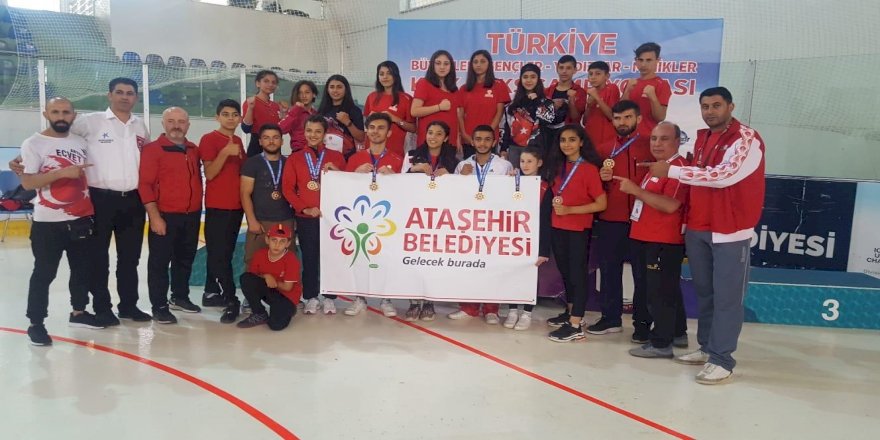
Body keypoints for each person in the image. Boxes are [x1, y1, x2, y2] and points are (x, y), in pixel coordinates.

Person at [641, 87, 766, 385]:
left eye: (716, 105)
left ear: (730, 106)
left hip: (730, 230)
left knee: (727, 298)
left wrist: (673, 172)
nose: (710, 111)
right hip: (699, 227)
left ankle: (722, 359)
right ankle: (708, 347)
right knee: (706, 293)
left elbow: (724, 176)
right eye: (705, 106)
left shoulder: (746, 138)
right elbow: (700, 180)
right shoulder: (703, 138)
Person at [8, 78, 153, 324]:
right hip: (99, 199)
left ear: (136, 98)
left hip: (133, 200)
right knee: (99, 258)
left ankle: (129, 305)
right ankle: (102, 308)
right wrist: (21, 157)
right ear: (109, 95)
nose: (124, 97)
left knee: (130, 258)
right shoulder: (89, 121)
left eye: (130, 93)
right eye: (119, 92)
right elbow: (55, 136)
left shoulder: (140, 126)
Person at [20, 97, 104, 345]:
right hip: (48, 222)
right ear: (46, 114)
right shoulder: (33, 143)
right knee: (44, 273)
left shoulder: (80, 142)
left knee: (81, 269)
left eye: (66, 112)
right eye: (55, 111)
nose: (61, 116)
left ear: (73, 116)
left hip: (81, 217)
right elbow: (28, 182)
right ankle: (36, 323)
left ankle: (79, 312)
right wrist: (62, 173)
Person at [614, 122, 689, 358]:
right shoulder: (658, 167)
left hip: (663, 240)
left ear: (677, 141)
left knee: (659, 294)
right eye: (654, 139)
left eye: (664, 139)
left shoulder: (678, 169)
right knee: (665, 290)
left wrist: (635, 190)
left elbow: (670, 205)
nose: (657, 144)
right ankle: (677, 332)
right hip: (645, 236)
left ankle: (661, 344)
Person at [588, 100, 653, 342]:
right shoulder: (604, 149)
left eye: (627, 117)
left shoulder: (650, 145)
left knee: (642, 275)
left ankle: (642, 324)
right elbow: (593, 186)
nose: (622, 122)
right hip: (611, 219)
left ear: (638, 119)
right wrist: (601, 178)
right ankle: (610, 318)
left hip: (642, 220)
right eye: (617, 118)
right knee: (609, 271)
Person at [138, 107, 203, 324]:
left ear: (188, 125)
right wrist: (155, 217)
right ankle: (159, 305)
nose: (176, 126)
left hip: (191, 215)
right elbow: (145, 185)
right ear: (163, 124)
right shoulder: (152, 150)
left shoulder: (193, 150)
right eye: (171, 121)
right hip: (165, 215)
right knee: (159, 263)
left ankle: (179, 296)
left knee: (185, 258)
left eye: (181, 122)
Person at [545, 124, 607, 342]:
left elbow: (601, 203)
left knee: (577, 275)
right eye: (563, 140)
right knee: (565, 272)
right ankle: (571, 312)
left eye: (572, 140)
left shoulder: (589, 169)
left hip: (578, 229)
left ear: (581, 142)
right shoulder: (558, 166)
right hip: (557, 226)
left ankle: (576, 324)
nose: (567, 144)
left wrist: (570, 210)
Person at [448, 125, 514, 324]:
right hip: (469, 223)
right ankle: (468, 308)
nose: (482, 143)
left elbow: (511, 195)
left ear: (494, 142)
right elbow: (452, 195)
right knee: (469, 266)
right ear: (472, 141)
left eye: (487, 139)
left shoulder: (504, 166)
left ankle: (491, 310)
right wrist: (461, 178)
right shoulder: (463, 165)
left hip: (494, 223)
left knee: (493, 267)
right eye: (478, 139)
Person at [282, 114, 347, 315]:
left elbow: (348, 185)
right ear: (304, 132)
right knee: (310, 257)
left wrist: (337, 171)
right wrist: (304, 208)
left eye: (318, 131)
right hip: (307, 218)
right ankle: (311, 296)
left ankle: (330, 297)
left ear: (325, 134)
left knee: (331, 258)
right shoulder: (295, 158)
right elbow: (287, 189)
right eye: (309, 131)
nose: (313, 135)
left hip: (331, 219)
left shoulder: (336, 157)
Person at [344, 113, 403, 317]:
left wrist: (395, 179)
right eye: (372, 128)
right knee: (360, 258)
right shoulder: (355, 159)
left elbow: (406, 192)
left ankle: (386, 299)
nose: (375, 131)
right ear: (367, 131)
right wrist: (355, 175)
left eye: (381, 128)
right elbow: (343, 189)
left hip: (387, 219)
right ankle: (359, 298)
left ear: (389, 132)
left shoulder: (398, 159)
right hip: (360, 217)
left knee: (386, 259)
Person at [402, 120, 460, 321]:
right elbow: (398, 183)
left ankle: (429, 302)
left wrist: (451, 176)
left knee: (432, 261)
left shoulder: (453, 160)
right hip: (415, 216)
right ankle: (413, 302)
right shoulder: (412, 156)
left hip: (439, 218)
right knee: (413, 259)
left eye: (438, 134)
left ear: (445, 138)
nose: (433, 137)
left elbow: (460, 190)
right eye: (430, 132)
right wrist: (414, 170)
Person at [199, 99, 246, 322]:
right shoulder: (209, 139)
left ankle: (210, 292)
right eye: (225, 114)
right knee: (219, 254)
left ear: (239, 118)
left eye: (234, 114)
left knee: (224, 252)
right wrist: (225, 152)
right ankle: (230, 298)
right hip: (218, 206)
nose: (230, 118)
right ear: (217, 117)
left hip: (236, 207)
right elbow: (209, 173)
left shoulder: (238, 140)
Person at [503, 146, 551, 331]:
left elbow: (546, 221)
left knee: (530, 276)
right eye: (522, 161)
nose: (525, 165)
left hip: (534, 240)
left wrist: (544, 250)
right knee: (512, 274)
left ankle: (527, 313)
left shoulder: (545, 187)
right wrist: (506, 182)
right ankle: (512, 310)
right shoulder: (514, 183)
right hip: (514, 238)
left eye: (530, 161)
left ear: (539, 163)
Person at [240, 123, 296, 270]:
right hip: (260, 222)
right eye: (266, 138)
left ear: (282, 141)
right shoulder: (252, 163)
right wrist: (252, 221)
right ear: (260, 141)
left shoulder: (290, 163)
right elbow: (245, 193)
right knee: (253, 263)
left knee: (286, 264)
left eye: (275, 137)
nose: (271, 141)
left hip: (285, 220)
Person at [236, 223, 301, 331]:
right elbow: (253, 277)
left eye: (282, 241)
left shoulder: (291, 259)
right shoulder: (259, 254)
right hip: (270, 291)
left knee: (275, 326)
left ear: (288, 243)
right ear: (267, 240)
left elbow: (287, 287)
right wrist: (266, 276)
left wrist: (272, 281)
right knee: (246, 278)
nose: (277, 245)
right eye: (274, 240)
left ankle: (289, 310)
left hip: (287, 297)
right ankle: (259, 313)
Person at [499, 63, 556, 168]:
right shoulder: (513, 104)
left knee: (534, 178)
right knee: (514, 177)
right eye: (525, 77)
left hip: (536, 149)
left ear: (538, 79)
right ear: (520, 79)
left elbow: (548, 121)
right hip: (514, 149)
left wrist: (536, 101)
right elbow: (507, 128)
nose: (529, 80)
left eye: (533, 77)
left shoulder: (546, 102)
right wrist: (503, 148)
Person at [457, 49, 510, 158]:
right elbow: (460, 116)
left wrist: (487, 135)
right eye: (475, 62)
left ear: (489, 64)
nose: (478, 65)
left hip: (489, 140)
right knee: (469, 168)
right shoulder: (464, 88)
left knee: (489, 168)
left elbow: (499, 114)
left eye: (482, 61)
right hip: (469, 139)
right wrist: (464, 135)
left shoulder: (499, 85)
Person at [363, 61, 416, 158]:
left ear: (395, 75)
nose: (385, 77)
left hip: (395, 152)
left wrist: (395, 119)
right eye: (381, 74)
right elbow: (365, 125)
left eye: (389, 73)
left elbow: (413, 128)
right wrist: (370, 119)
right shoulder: (371, 96)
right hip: (371, 150)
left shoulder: (406, 98)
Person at [411, 49, 461, 149]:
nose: (442, 67)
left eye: (446, 64)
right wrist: (439, 107)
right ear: (432, 65)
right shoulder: (424, 83)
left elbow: (456, 116)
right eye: (438, 63)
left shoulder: (454, 89)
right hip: (429, 142)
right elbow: (414, 111)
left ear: (451, 66)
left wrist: (457, 139)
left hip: (449, 141)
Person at [621, 42, 672, 131]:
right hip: (626, 136)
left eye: (648, 60)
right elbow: (620, 112)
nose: (643, 64)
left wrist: (653, 97)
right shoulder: (631, 83)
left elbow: (660, 117)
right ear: (636, 61)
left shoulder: (662, 84)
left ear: (657, 60)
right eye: (640, 60)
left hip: (648, 136)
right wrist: (627, 91)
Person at [317, 74, 364, 157]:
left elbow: (361, 138)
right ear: (327, 90)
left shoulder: (354, 110)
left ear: (346, 89)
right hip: (324, 156)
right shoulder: (322, 110)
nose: (335, 90)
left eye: (339, 87)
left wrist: (348, 123)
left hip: (346, 157)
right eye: (332, 87)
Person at [242, 70, 283, 157]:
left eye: (273, 82)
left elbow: (281, 129)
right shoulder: (251, 102)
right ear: (258, 83)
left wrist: (284, 114)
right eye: (266, 81)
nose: (270, 84)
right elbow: (246, 129)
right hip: (257, 147)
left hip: (275, 147)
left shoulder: (276, 106)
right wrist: (250, 108)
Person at [583, 61, 621, 147]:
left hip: (607, 140)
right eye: (590, 74)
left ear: (607, 76)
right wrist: (589, 106)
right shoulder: (590, 93)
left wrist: (597, 98)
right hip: (590, 139)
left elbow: (611, 116)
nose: (593, 77)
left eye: (598, 74)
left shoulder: (611, 88)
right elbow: (585, 122)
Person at [544, 55, 587, 128]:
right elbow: (541, 116)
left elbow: (576, 119)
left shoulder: (580, 92)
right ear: (557, 69)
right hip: (547, 132)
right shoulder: (547, 91)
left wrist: (571, 102)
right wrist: (551, 106)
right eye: (561, 68)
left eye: (568, 68)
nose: (564, 71)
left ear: (575, 70)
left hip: (569, 132)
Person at [279, 80, 318, 153]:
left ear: (314, 94)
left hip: (316, 152)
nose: (303, 96)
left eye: (307, 92)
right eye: (300, 93)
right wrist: (296, 109)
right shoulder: (294, 112)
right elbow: (280, 129)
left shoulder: (317, 113)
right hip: (299, 152)